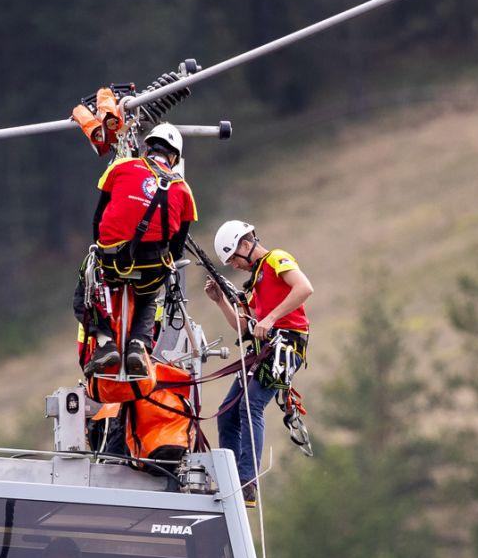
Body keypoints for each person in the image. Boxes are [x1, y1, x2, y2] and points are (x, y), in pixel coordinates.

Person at [203, 220, 315, 506]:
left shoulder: (277, 258)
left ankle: (247, 482)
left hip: (286, 345)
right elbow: (244, 328)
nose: (235, 266)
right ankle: (231, 479)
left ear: (245, 244)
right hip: (266, 347)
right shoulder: (256, 283)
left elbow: (304, 288)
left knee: (249, 405)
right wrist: (220, 302)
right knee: (227, 412)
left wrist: (270, 318)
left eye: (234, 259)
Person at [73, 123, 198, 379]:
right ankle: (138, 346)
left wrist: (101, 252)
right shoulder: (183, 190)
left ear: (147, 148)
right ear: (173, 157)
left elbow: (98, 218)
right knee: (148, 297)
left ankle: (105, 341)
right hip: (152, 266)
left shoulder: (120, 168)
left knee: (86, 290)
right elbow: (177, 248)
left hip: (113, 259)